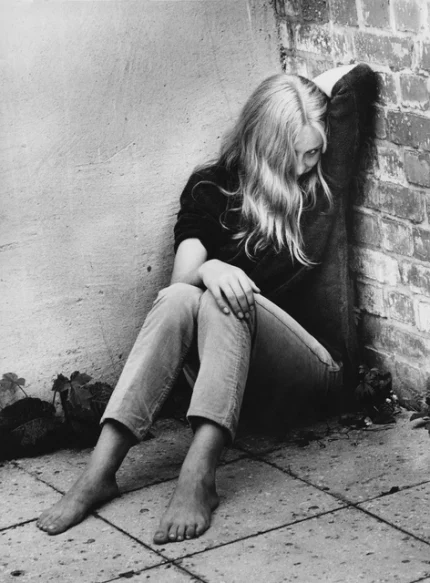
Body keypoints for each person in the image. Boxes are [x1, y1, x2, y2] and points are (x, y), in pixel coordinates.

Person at [37, 63, 377, 544]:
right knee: (190, 295)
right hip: (233, 387)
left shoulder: (324, 180)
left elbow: (357, 81)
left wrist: (300, 101)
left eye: (314, 151)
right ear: (266, 144)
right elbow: (179, 288)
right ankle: (100, 471)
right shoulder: (212, 189)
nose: (307, 165)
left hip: (312, 372)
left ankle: (198, 473)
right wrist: (211, 268)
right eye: (297, 153)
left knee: (226, 299)